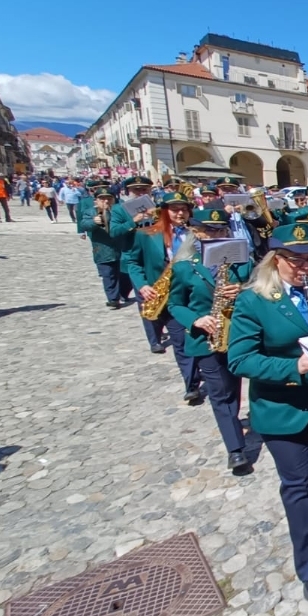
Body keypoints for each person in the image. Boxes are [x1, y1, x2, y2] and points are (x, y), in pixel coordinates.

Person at [227, 223, 308, 604]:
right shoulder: (255, 300)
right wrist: (293, 368)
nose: (303, 266)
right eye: (295, 260)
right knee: (302, 488)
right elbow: (240, 359)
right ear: (275, 260)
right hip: (281, 410)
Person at [168, 206, 254, 473]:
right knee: (221, 394)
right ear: (196, 232)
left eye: (221, 230)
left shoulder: (242, 262)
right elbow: (174, 304)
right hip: (207, 336)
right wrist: (195, 320)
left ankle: (242, 423)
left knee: (236, 387)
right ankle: (236, 449)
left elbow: (257, 291)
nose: (216, 236)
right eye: (210, 231)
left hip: (238, 333)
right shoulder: (184, 267)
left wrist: (242, 289)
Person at [126, 191, 202, 401]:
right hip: (167, 296)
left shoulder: (197, 234)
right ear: (164, 211)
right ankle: (192, 383)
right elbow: (132, 263)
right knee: (179, 340)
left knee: (197, 334)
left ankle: (201, 370)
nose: (180, 213)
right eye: (175, 209)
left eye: (184, 209)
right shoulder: (146, 234)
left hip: (194, 294)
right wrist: (142, 286)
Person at [112, 176, 165, 351]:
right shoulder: (120, 210)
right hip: (135, 257)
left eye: (144, 190)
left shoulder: (158, 207)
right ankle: (154, 339)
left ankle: (164, 324)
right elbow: (114, 232)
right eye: (137, 190)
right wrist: (132, 221)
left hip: (158, 255)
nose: (141, 193)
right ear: (129, 192)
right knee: (145, 298)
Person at [77, 185, 132, 308]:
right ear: (96, 200)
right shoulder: (90, 212)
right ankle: (113, 299)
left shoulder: (120, 210)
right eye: (102, 199)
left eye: (109, 198)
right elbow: (84, 224)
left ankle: (122, 293)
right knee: (108, 274)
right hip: (103, 249)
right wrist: (93, 222)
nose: (106, 201)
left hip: (121, 247)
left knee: (125, 274)